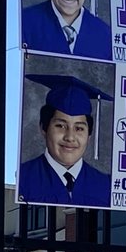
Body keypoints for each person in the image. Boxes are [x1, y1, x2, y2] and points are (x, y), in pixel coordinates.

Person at [17, 74, 112, 206]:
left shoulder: (106, 185)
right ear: (43, 128)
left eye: (79, 128)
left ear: (89, 135)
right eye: (61, 126)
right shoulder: (23, 178)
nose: (70, 137)